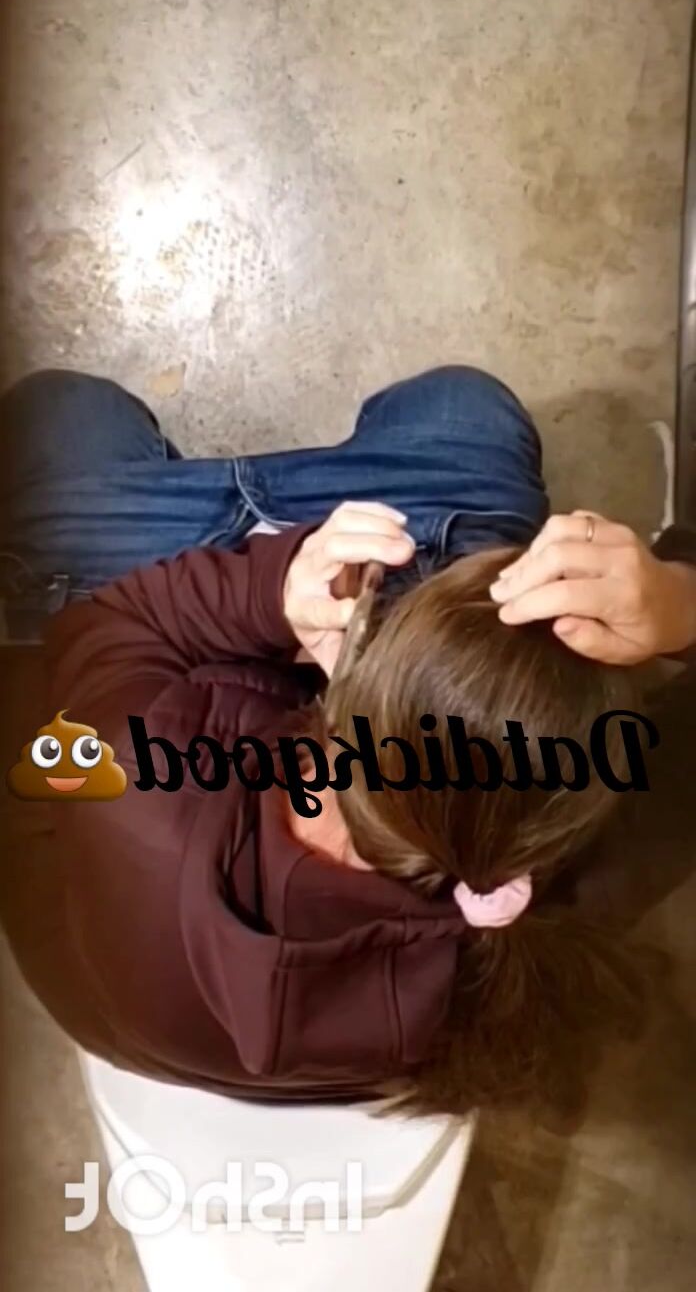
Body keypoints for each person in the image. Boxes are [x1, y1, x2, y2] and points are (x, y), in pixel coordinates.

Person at [1, 364, 695, 1118]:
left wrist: (271, 592)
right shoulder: (552, 911)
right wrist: (679, 603)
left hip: (132, 699)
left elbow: (109, 624)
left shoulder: (130, 779)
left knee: (58, 414)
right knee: (463, 410)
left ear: (345, 684)